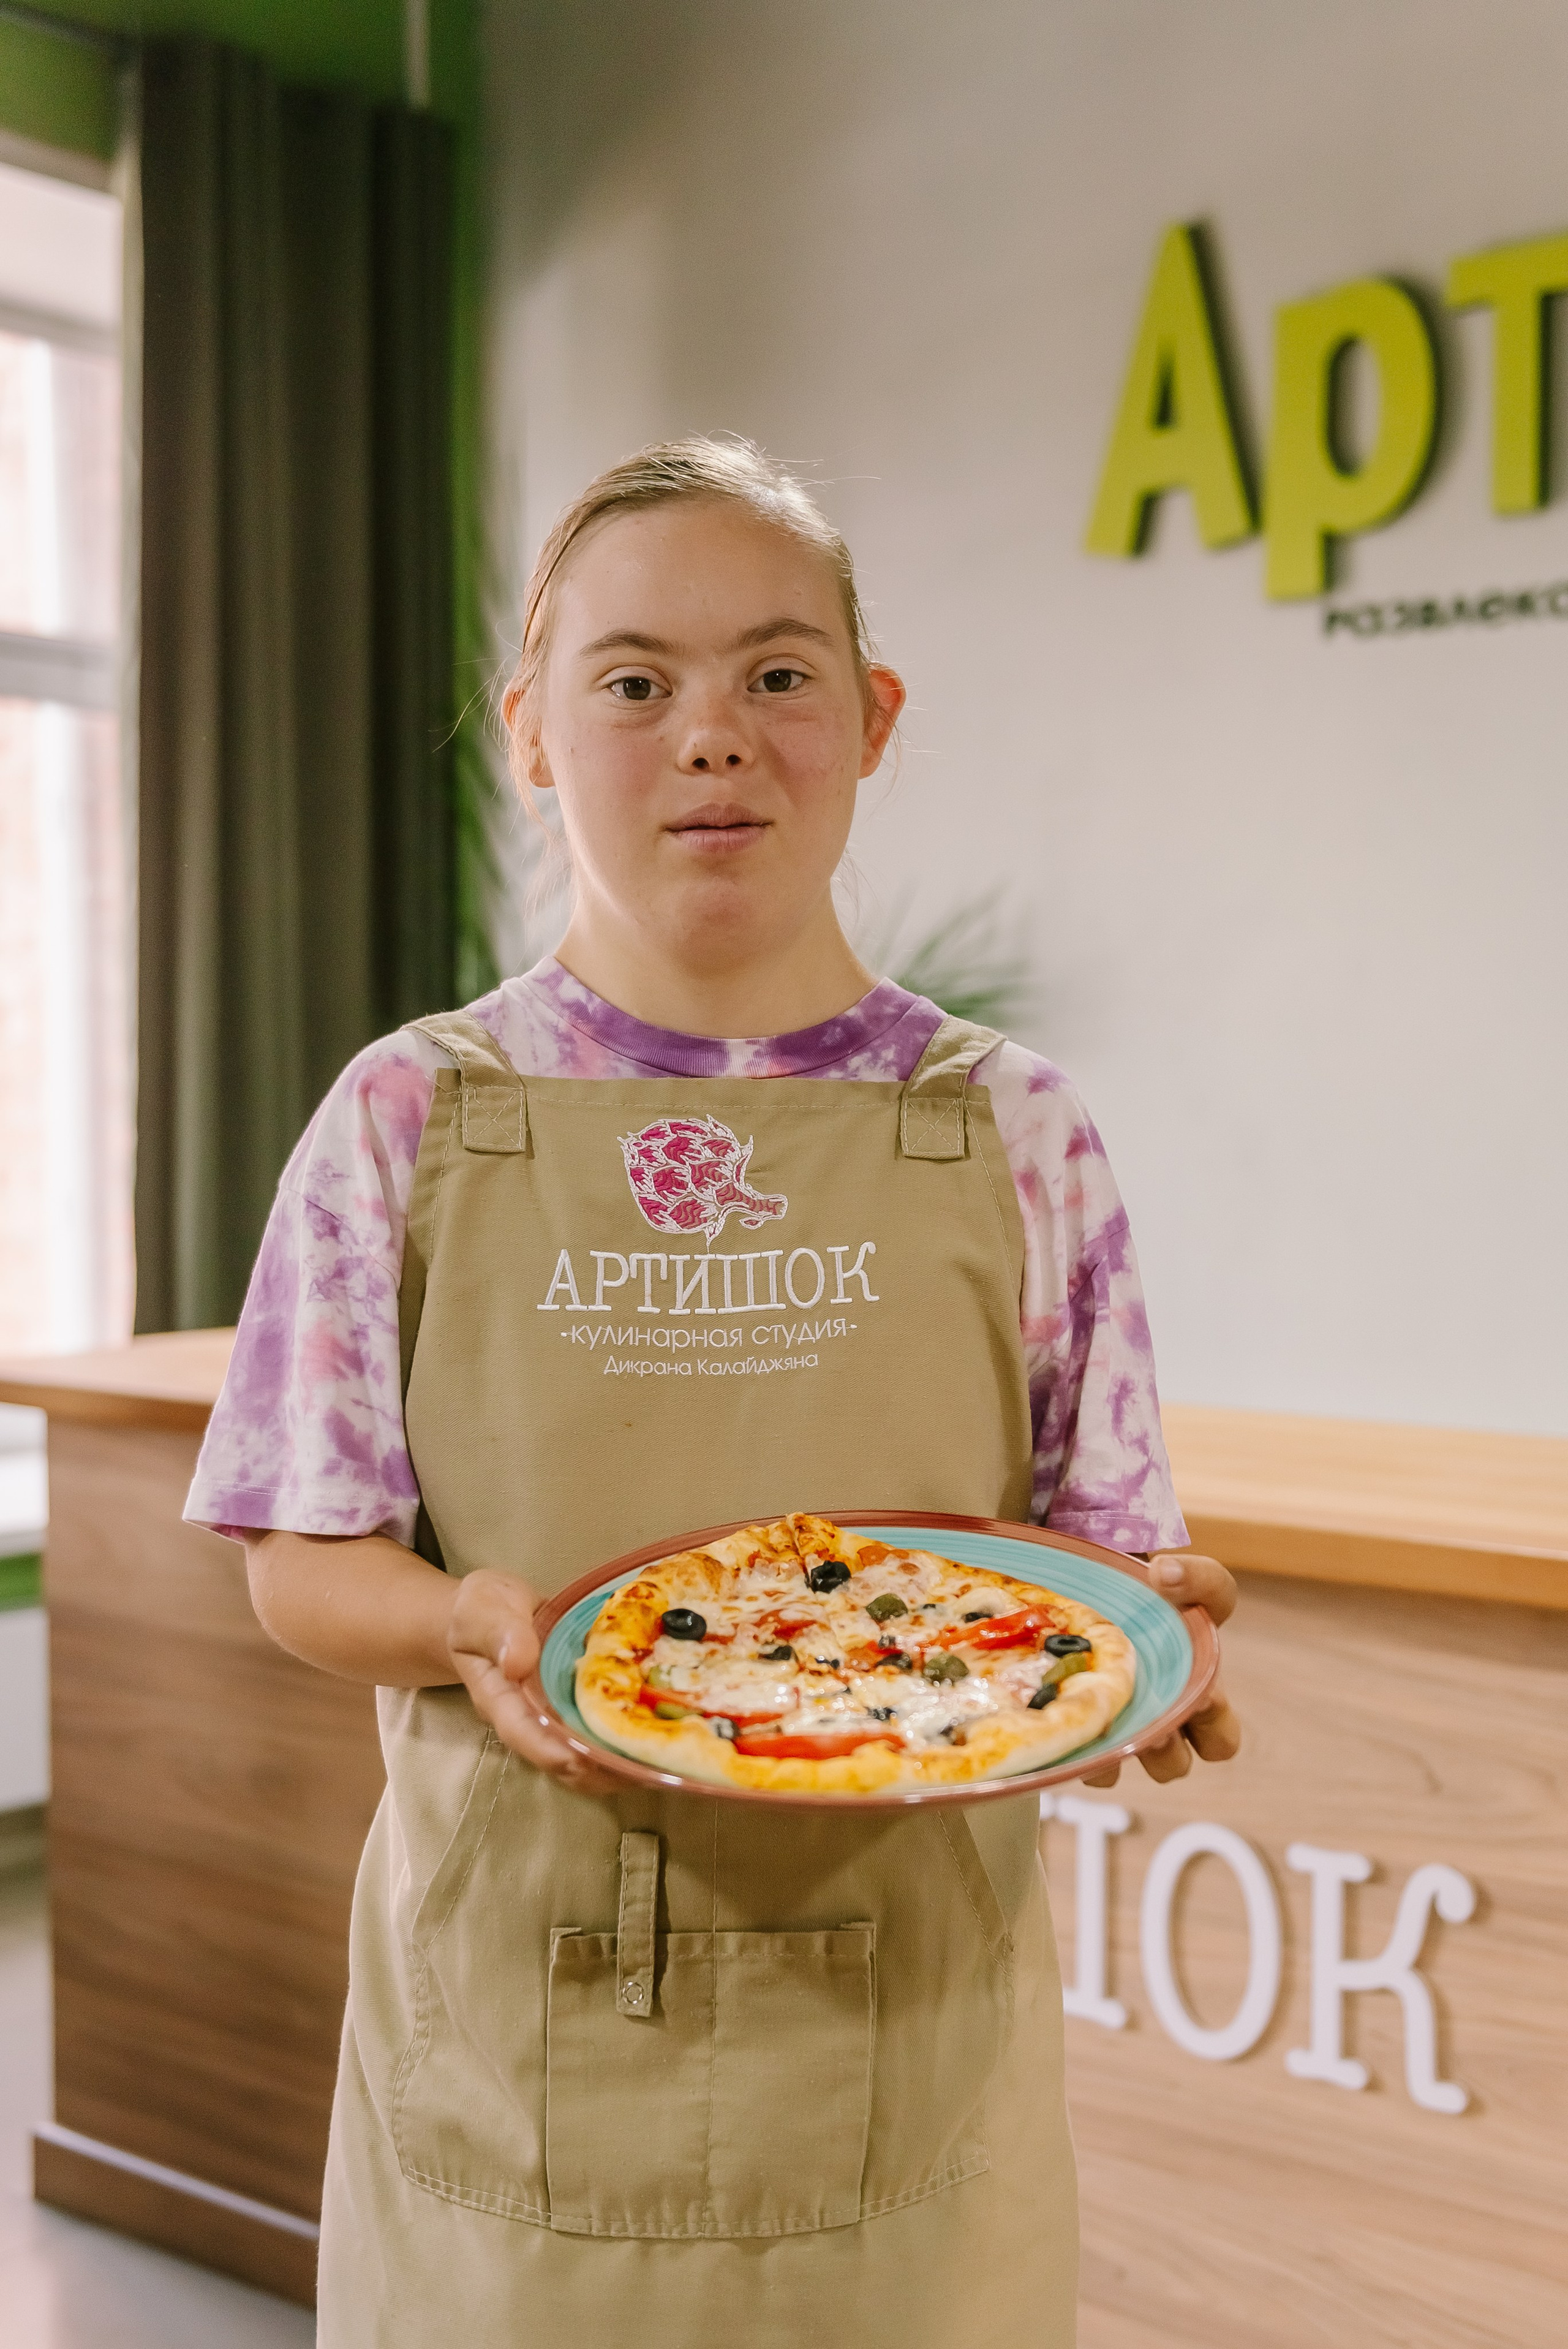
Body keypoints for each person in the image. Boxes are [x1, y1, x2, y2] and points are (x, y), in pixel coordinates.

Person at [186, 437, 1240, 2348]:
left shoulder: (1015, 1132)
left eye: (777, 672)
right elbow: (299, 1561)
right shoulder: (406, 1119)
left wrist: (1154, 1640)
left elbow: (1106, 1560)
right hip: (505, 2059)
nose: (712, 735)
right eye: (632, 682)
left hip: (914, 2071)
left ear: (872, 715)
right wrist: (460, 1619)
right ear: (528, 728)